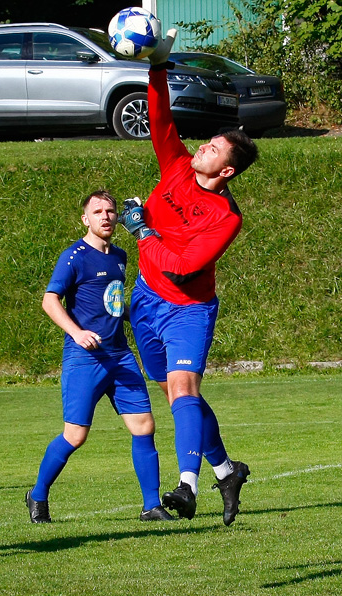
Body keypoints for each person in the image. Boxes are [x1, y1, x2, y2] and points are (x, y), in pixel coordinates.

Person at [118, 29, 258, 525]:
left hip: (187, 308)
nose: (204, 146)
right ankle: (225, 469)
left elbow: (185, 266)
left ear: (228, 171)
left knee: (182, 388)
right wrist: (157, 66)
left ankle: (186, 486)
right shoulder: (177, 165)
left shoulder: (226, 216)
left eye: (215, 147)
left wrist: (141, 231)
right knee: (182, 394)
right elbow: (160, 120)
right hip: (145, 300)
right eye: (209, 141)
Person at [26, 190, 174, 524]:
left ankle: (151, 505)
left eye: (110, 211)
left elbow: (111, 303)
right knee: (75, 435)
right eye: (98, 212)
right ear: (86, 219)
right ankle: (37, 494)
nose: (105, 216)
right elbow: (50, 300)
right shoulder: (74, 256)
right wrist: (76, 333)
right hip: (85, 359)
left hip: (119, 355)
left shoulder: (120, 255)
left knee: (144, 426)